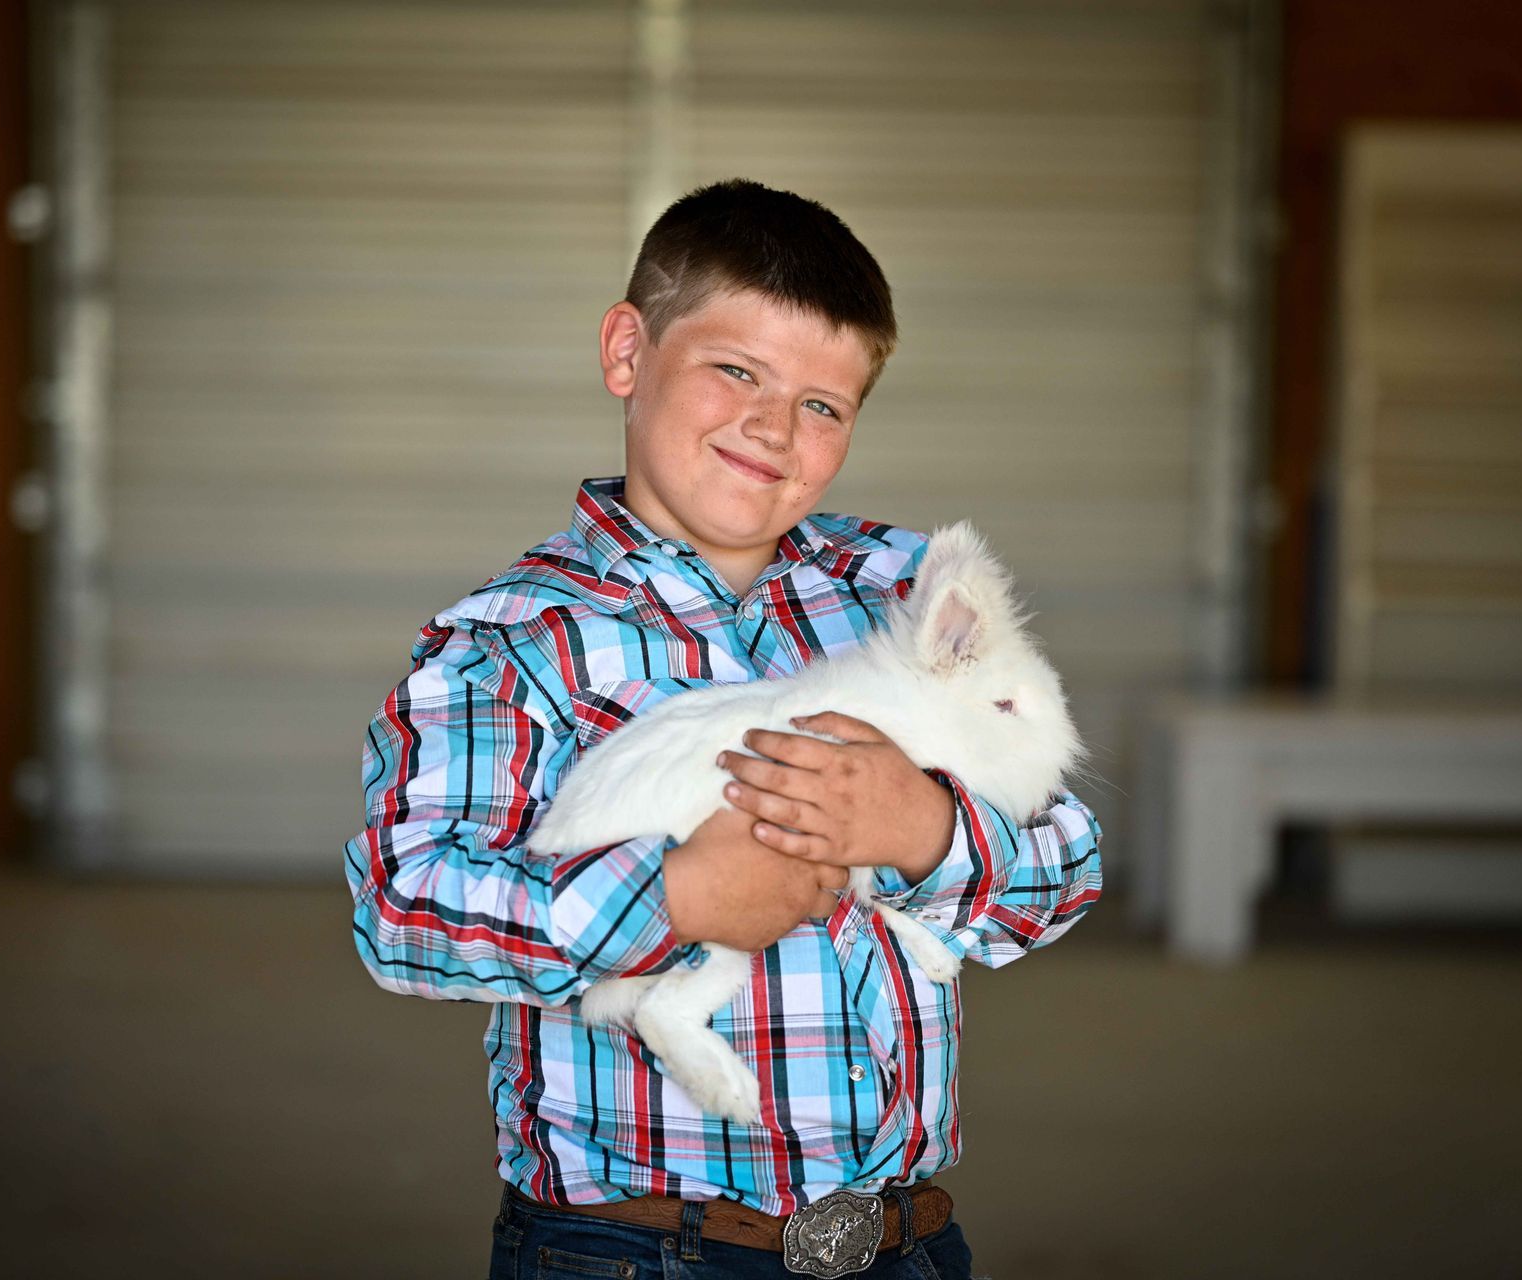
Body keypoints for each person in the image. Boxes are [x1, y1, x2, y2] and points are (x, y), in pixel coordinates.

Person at [343, 178, 1102, 1280]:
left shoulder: (906, 593)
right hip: (638, 1249)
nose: (772, 426)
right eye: (735, 370)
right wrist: (676, 899)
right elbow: (403, 909)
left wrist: (926, 828)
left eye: (823, 404)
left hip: (902, 1239)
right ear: (626, 353)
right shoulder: (511, 639)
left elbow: (1065, 859)